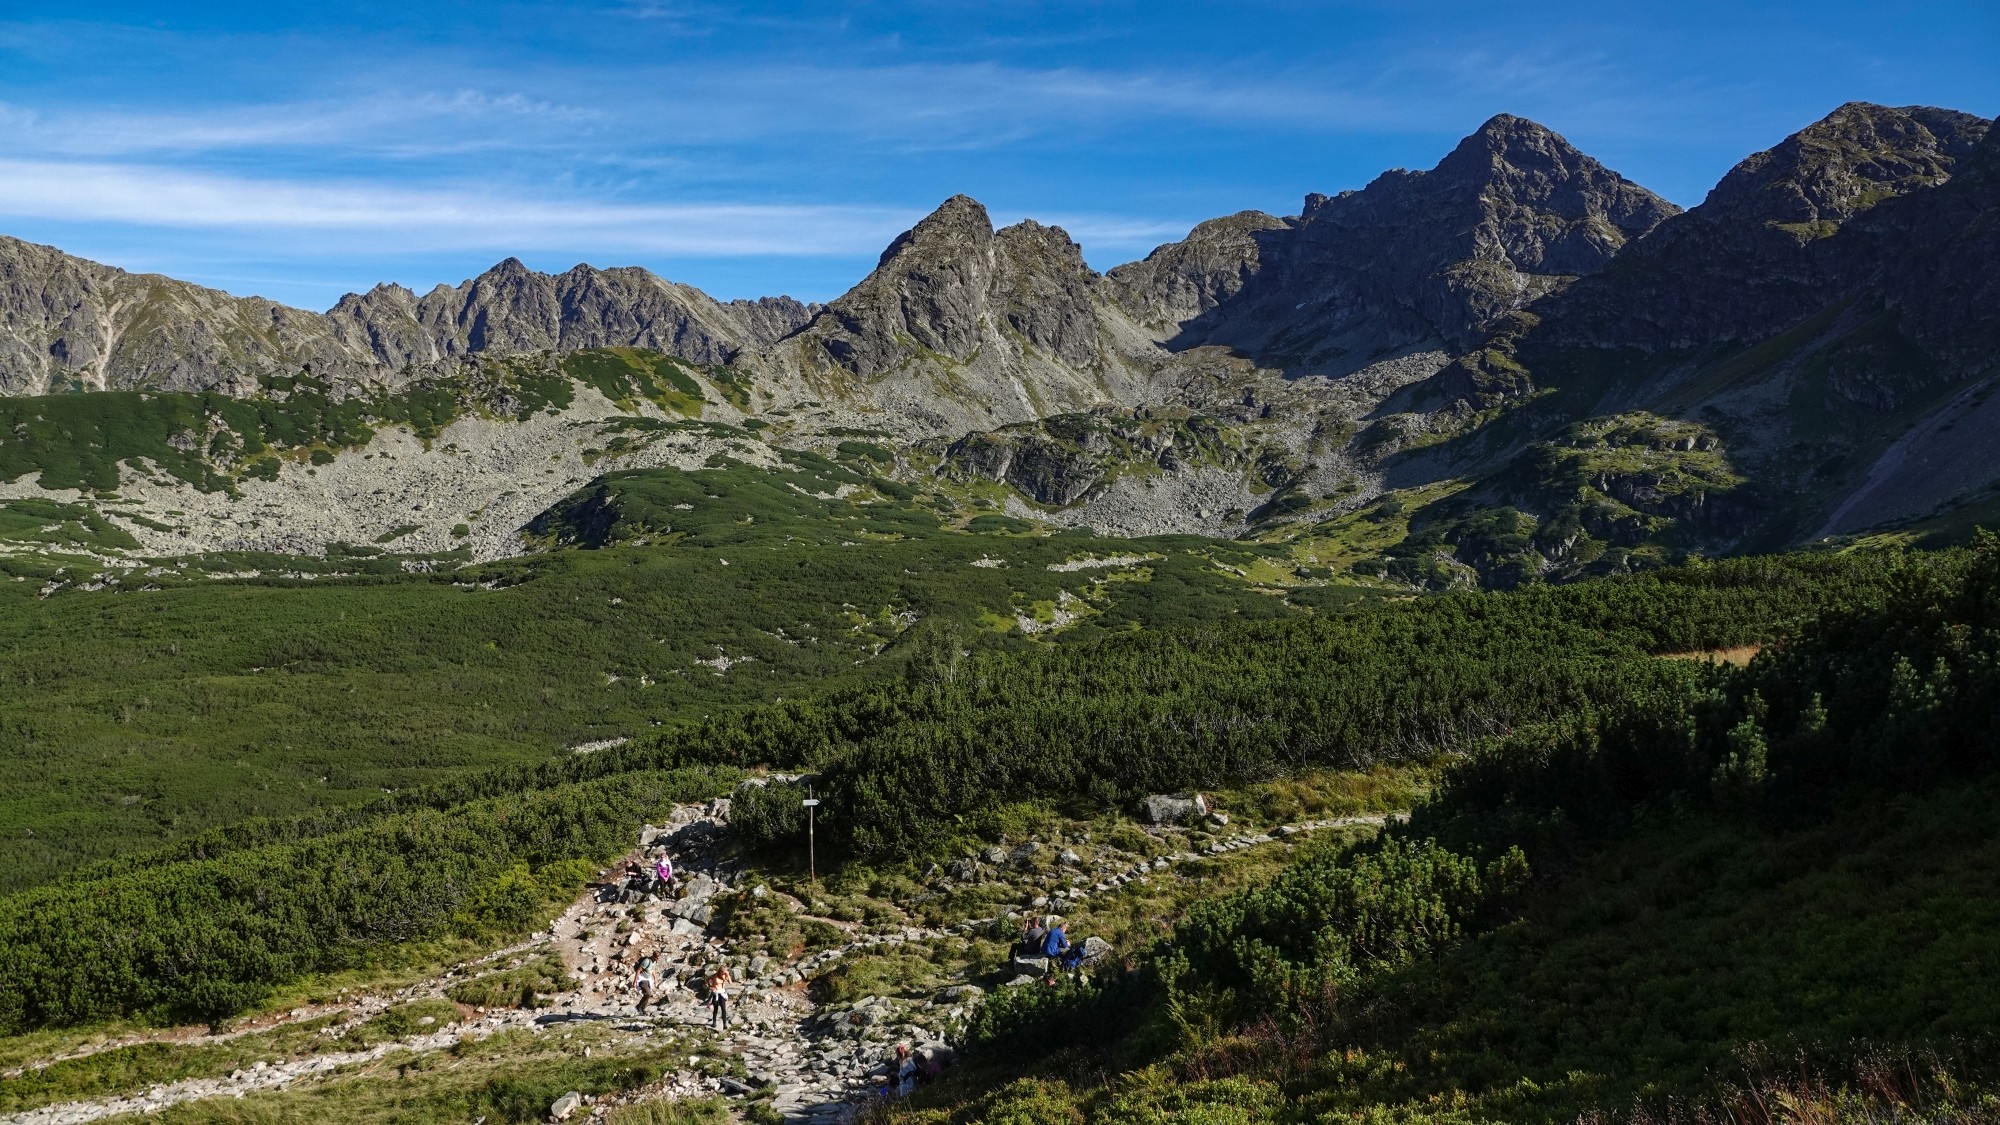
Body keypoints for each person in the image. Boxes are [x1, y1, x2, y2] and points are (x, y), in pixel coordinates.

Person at [707, 965, 733, 1030]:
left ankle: (725, 1024)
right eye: (723, 972)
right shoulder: (714, 975)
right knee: (715, 1008)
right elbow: (707, 979)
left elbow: (730, 983)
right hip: (715, 993)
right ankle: (714, 1022)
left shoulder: (725, 975)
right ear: (720, 971)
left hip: (722, 993)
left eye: (725, 972)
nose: (724, 973)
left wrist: (728, 975)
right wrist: (710, 986)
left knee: (723, 1009)